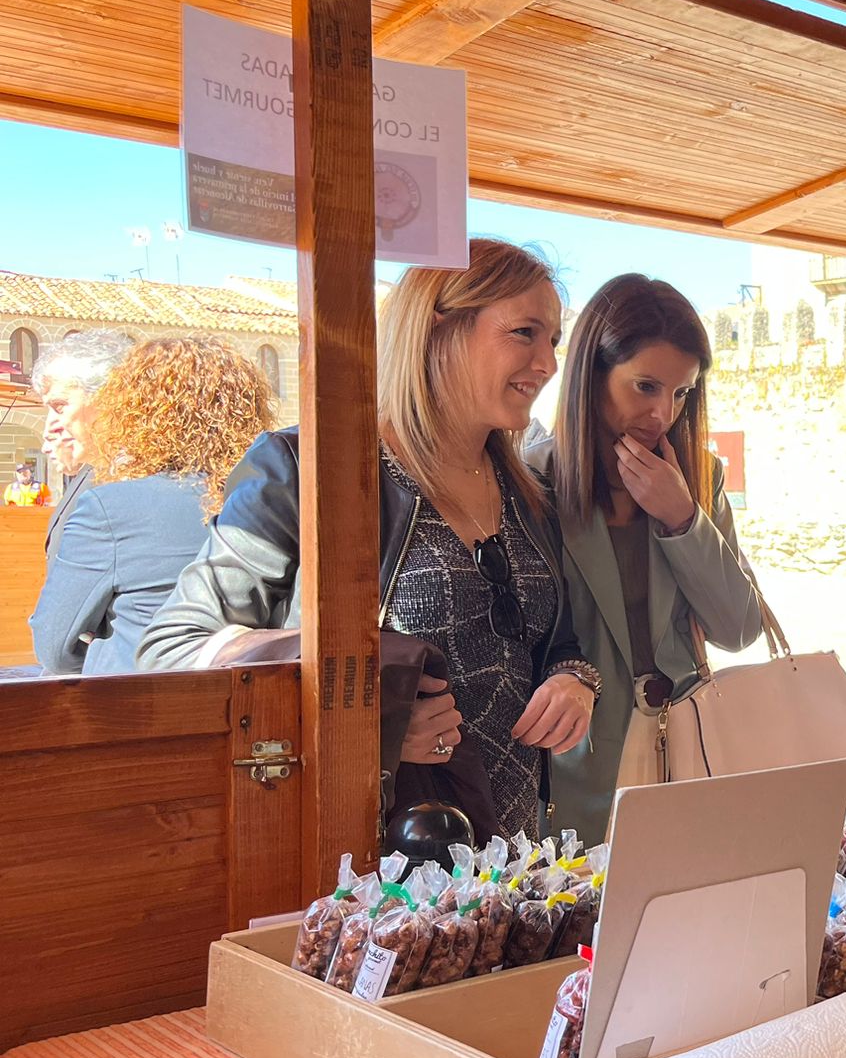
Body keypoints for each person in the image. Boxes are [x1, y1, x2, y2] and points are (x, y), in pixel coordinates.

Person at [137, 239, 598, 842]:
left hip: (513, 865)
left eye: (554, 340)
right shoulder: (308, 470)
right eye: (525, 333)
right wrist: (369, 713)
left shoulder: (531, 492)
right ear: (438, 330)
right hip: (372, 865)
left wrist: (575, 681)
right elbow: (173, 646)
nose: (548, 363)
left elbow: (555, 640)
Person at [529, 273, 764, 845]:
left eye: (682, 392)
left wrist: (682, 519)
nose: (663, 413)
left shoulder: (699, 480)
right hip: (573, 765)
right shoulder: (532, 483)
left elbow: (738, 628)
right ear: (592, 376)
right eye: (645, 386)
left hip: (686, 751)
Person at [32, 337, 275, 675]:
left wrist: (109, 654)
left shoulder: (109, 507)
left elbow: (55, 650)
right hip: (259, 705)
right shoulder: (274, 502)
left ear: (136, 411)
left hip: (141, 708)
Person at [32, 329, 133, 553]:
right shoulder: (98, 471)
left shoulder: (135, 482)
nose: (50, 427)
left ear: (106, 398)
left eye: (60, 406)